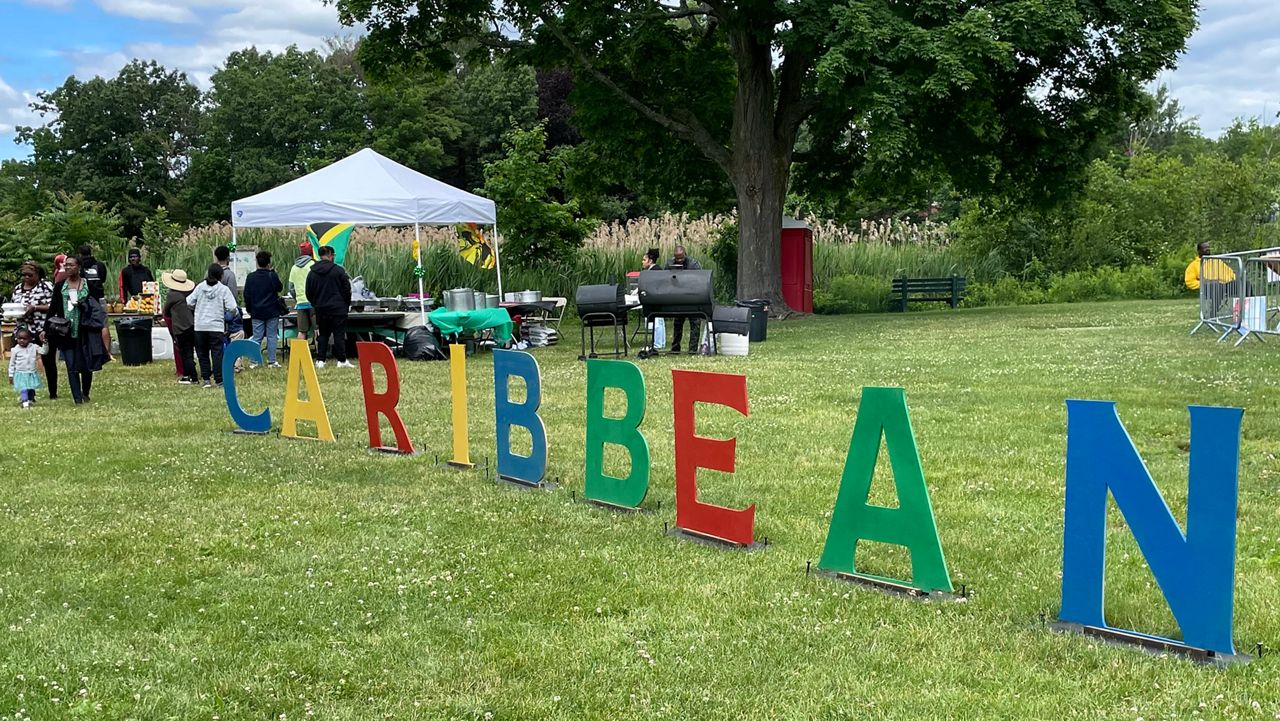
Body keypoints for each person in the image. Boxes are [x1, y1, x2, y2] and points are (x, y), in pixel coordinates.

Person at [49, 256, 107, 405]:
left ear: (79, 267)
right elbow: (53, 309)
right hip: (66, 331)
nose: (68, 268)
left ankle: (85, 393)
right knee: (71, 365)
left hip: (85, 330)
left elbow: (96, 308)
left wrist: (83, 305)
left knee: (86, 365)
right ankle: (77, 398)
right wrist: (45, 329)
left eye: (71, 265)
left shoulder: (88, 285)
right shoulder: (60, 286)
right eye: (66, 265)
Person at [11, 260, 57, 399]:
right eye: (24, 275)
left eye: (29, 275)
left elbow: (54, 305)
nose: (26, 278)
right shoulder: (18, 288)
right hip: (23, 330)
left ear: (37, 274)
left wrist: (35, 308)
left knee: (48, 360)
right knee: (23, 362)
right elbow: (14, 305)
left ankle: (52, 392)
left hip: (42, 329)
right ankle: (28, 394)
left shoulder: (46, 286)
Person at [187, 263, 238, 388]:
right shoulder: (223, 289)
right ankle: (219, 379)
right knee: (217, 353)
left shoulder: (200, 287)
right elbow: (232, 307)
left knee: (202, 354)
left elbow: (189, 302)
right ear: (221, 276)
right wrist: (231, 313)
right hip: (216, 326)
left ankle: (206, 380)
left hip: (200, 326)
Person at [305, 245, 353, 368]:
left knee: (323, 334)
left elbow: (308, 292)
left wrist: (315, 304)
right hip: (338, 308)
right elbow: (347, 290)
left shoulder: (312, 273)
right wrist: (345, 304)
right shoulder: (339, 271)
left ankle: (321, 360)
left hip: (321, 308)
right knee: (339, 334)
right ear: (330, 255)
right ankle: (341, 360)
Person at [244, 250, 284, 368]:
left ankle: (254, 361)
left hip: (256, 311)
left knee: (257, 336)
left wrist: (249, 309)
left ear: (257, 262)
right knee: (272, 336)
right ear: (269, 263)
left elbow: (247, 295)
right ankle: (272, 361)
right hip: (272, 310)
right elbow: (279, 288)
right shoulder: (272, 275)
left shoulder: (251, 277)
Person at [78, 243, 113, 363]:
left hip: (84, 299)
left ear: (80, 254)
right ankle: (107, 352)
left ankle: (87, 350)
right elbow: (102, 279)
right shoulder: (100, 265)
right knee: (103, 325)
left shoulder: (78, 266)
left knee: (84, 325)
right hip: (99, 297)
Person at [665, 244, 703, 354]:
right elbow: (664, 278)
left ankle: (692, 349)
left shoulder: (693, 264)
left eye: (681, 257)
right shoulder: (669, 264)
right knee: (677, 324)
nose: (680, 260)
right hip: (678, 298)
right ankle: (675, 348)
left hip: (692, 298)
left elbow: (699, 280)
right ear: (674, 257)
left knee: (695, 323)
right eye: (677, 258)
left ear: (685, 254)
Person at [162, 269, 198, 385]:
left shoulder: (172, 295)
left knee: (185, 353)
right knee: (190, 352)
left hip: (181, 327)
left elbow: (166, 311)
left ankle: (191, 376)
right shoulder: (189, 293)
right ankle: (191, 375)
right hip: (192, 325)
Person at [8, 328, 46, 409]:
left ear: (30, 339)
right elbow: (12, 363)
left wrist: (45, 344)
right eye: (19, 338)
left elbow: (44, 352)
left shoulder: (34, 347)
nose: (22, 340)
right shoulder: (15, 350)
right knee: (24, 388)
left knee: (31, 387)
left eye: (24, 339)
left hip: (31, 372)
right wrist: (11, 375)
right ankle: (25, 402)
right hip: (20, 373)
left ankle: (30, 399)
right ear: (16, 339)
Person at [288, 242, 316, 341]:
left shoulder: (294, 267)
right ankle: (321, 353)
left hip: (300, 303)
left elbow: (291, 288)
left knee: (302, 331)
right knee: (318, 329)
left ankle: (300, 353)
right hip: (314, 302)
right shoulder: (314, 265)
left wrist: (297, 298)